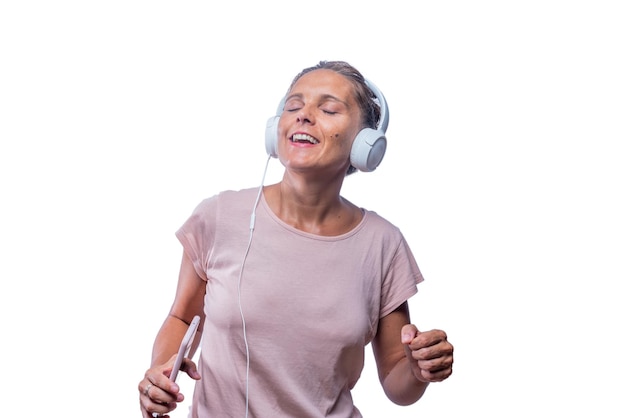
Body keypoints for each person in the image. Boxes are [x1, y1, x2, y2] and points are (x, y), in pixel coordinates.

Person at [138, 60, 454, 418]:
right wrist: (160, 372)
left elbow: (398, 383)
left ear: (365, 144)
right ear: (278, 128)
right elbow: (182, 318)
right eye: (293, 106)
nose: (303, 115)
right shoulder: (218, 216)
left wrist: (418, 369)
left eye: (329, 108)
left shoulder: (383, 244)